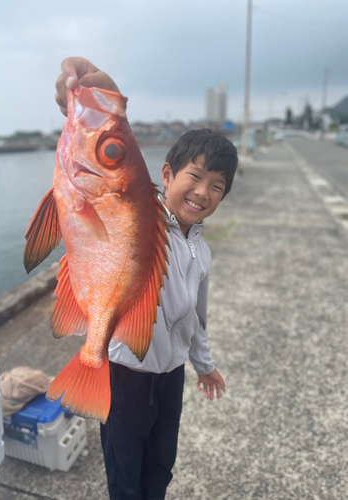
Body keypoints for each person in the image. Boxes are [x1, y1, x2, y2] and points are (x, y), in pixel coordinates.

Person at [55, 57, 238, 500]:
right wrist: (102, 103)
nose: (202, 192)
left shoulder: (202, 250)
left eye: (217, 186)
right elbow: (118, 185)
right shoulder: (147, 216)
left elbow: (197, 317)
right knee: (124, 474)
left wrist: (205, 366)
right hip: (124, 374)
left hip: (170, 376)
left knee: (159, 468)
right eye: (194, 176)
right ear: (167, 176)